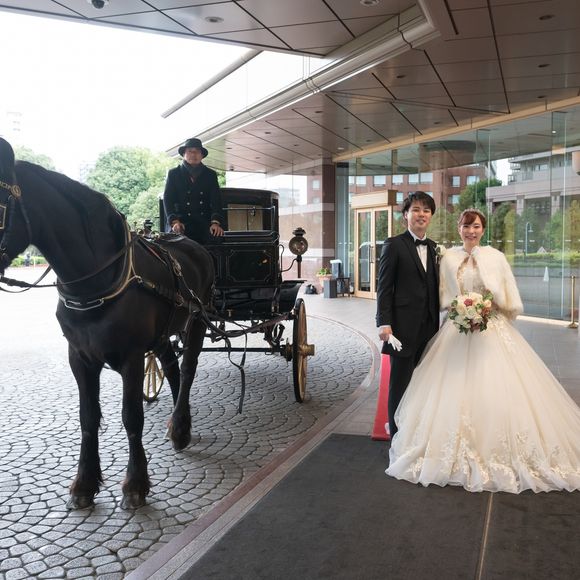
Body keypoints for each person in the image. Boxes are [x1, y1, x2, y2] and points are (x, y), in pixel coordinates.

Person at [386, 208, 580, 493]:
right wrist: (461, 310)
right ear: (459, 229)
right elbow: (441, 293)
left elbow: (506, 294)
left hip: (492, 328)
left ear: (483, 229)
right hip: (457, 330)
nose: (471, 231)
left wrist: (485, 309)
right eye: (466, 226)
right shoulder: (448, 258)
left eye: (476, 226)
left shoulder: (495, 257)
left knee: (499, 386)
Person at [376, 191, 440, 438]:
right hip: (401, 328)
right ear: (405, 215)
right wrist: (384, 323)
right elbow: (384, 287)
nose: (421, 214)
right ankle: (396, 435)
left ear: (431, 215)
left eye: (426, 210)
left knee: (422, 383)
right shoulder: (394, 245)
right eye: (416, 210)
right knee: (400, 384)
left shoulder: (434, 248)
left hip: (429, 328)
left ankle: (416, 431)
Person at [163, 137, 225, 244]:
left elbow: (216, 201)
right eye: (190, 151)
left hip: (204, 222)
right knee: (174, 241)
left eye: (197, 151)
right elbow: (168, 199)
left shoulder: (210, 175)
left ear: (202, 155)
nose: (193, 154)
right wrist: (174, 221)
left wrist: (215, 223)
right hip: (181, 221)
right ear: (184, 154)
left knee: (216, 237)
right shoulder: (174, 174)